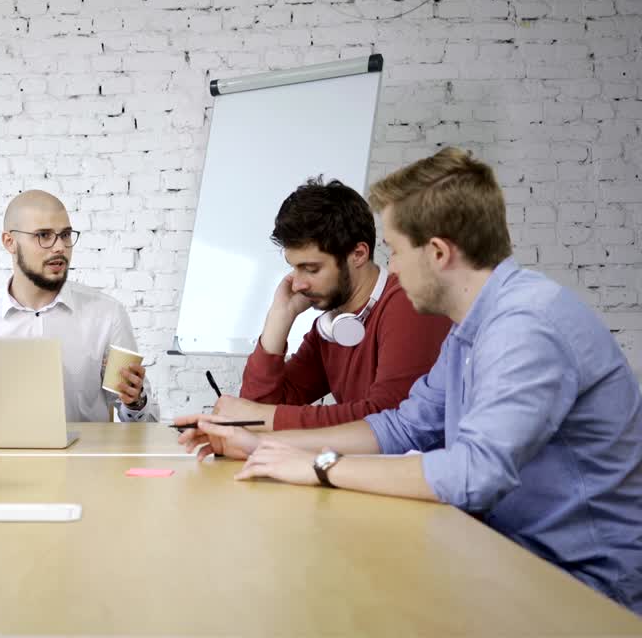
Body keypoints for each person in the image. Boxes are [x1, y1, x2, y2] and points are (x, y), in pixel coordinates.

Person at [177, 148, 642, 614]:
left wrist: (320, 465)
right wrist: (265, 446)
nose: (392, 269)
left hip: (582, 587)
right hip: (506, 557)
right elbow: (403, 427)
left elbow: (474, 474)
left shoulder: (524, 326)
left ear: (438, 252)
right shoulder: (469, 329)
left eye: (396, 252)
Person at [213, 178, 452, 429]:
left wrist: (266, 417)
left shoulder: (408, 303)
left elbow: (389, 418)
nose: (297, 284)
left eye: (311, 269)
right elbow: (255, 412)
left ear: (358, 254)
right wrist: (279, 317)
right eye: (294, 268)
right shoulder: (330, 326)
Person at [0, 190, 156, 422]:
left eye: (65, 235)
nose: (59, 247)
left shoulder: (106, 315)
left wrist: (135, 402)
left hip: (84, 447)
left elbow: (145, 424)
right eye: (44, 235)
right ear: (10, 242)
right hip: (0, 447)